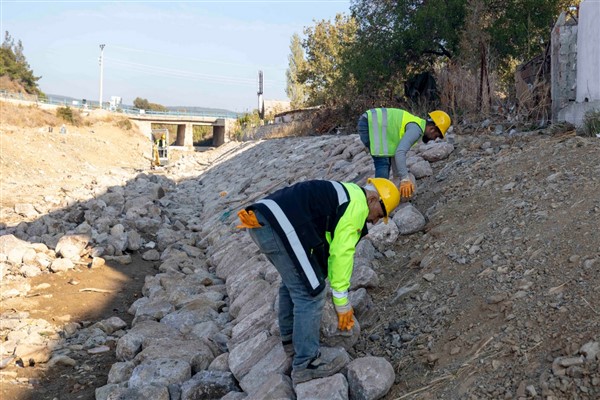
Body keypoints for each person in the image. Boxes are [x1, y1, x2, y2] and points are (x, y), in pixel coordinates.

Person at [236, 178, 400, 384]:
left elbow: (329, 241)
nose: (375, 221)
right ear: (373, 198)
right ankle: (306, 363)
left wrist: (322, 273)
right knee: (310, 293)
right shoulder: (357, 206)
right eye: (380, 214)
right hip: (279, 225)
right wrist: (341, 301)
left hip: (264, 221)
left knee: (295, 283)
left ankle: (291, 342)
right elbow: (342, 252)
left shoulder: (347, 194)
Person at [357, 108, 451, 199]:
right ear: (432, 129)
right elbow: (400, 152)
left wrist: (397, 176)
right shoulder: (416, 130)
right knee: (383, 163)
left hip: (371, 121)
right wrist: (405, 179)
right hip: (370, 123)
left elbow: (394, 152)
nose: (434, 139)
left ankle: (376, 198)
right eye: (436, 136)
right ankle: (374, 200)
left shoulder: (416, 124)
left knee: (385, 160)